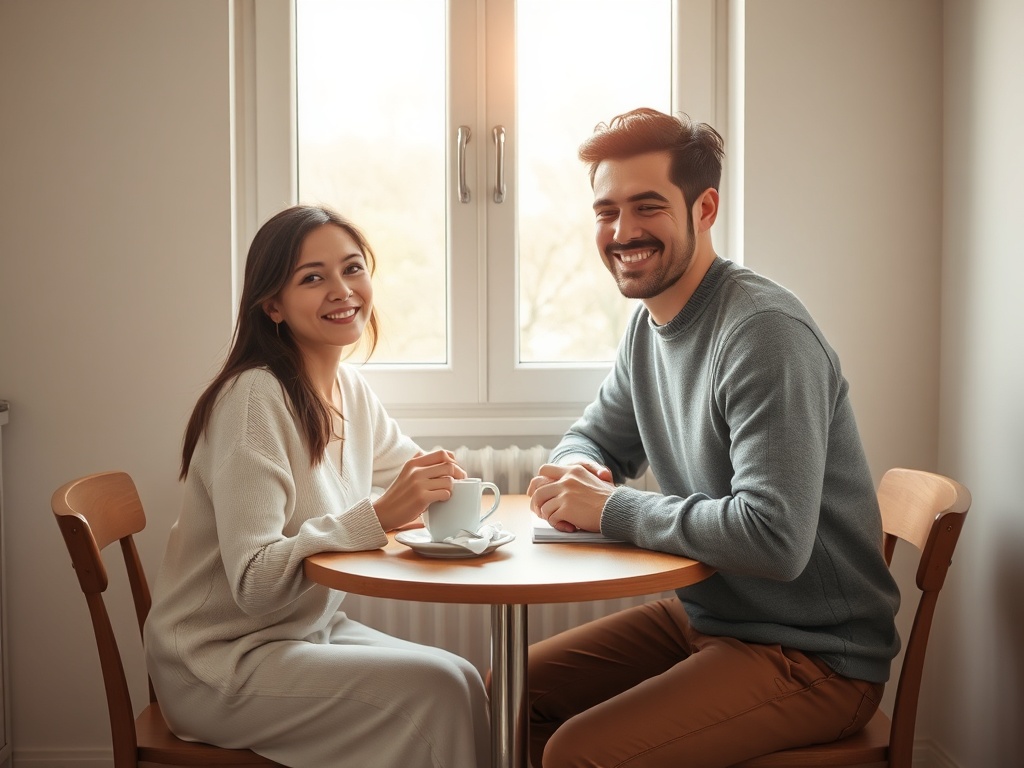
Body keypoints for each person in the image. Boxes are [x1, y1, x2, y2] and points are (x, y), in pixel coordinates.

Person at [525, 108, 901, 768]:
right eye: (607, 211)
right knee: (506, 691)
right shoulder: (648, 328)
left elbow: (775, 539)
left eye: (647, 207)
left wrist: (611, 509)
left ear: (704, 208)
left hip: (815, 655)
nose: (623, 232)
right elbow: (592, 436)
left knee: (575, 755)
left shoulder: (763, 333)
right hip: (709, 618)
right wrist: (580, 472)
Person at [144, 204, 489, 768]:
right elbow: (254, 582)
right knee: (438, 692)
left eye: (352, 269)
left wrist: (454, 482)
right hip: (218, 663)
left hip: (306, 632)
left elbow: (419, 471)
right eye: (312, 277)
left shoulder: (349, 390)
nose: (342, 290)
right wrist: (379, 516)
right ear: (273, 306)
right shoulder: (253, 400)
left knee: (465, 679)